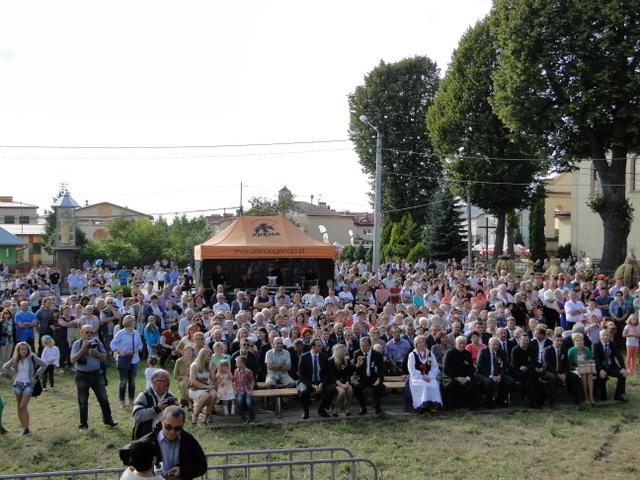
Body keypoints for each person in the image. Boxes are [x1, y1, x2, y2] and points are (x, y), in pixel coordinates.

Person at [71, 325, 118, 430]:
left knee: (103, 398)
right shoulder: (77, 344)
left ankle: (108, 419)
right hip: (82, 375)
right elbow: (72, 360)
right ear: (81, 333)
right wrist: (83, 348)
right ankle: (83, 425)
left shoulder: (97, 342)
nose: (89, 334)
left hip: (97, 374)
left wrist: (96, 353)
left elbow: (104, 356)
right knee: (83, 401)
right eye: (87, 332)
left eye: (91, 332)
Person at [142, 406, 207, 480]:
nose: (172, 432)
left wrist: (181, 470)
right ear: (162, 420)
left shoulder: (188, 440)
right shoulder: (148, 441)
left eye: (177, 428)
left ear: (183, 424)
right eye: (168, 427)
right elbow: (136, 469)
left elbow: (202, 465)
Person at [2, 341, 47, 435]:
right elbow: (5, 366)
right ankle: (23, 427)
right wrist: (14, 373)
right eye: (22, 349)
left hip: (28, 384)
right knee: (19, 406)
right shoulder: (15, 359)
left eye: (25, 349)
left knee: (23, 406)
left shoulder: (32, 358)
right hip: (18, 384)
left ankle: (26, 428)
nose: (24, 351)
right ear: (18, 350)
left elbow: (44, 364)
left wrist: (36, 374)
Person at [132, 368, 178, 440]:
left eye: (168, 380)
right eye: (165, 381)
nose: (168, 383)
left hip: (167, 438)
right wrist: (157, 409)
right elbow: (137, 416)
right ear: (155, 382)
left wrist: (177, 410)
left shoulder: (172, 397)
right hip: (146, 438)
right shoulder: (144, 396)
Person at [297, 338, 336, 420]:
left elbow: (327, 373)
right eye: (319, 346)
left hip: (320, 381)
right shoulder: (304, 357)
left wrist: (322, 383)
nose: (321, 347)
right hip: (307, 381)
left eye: (321, 345)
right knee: (304, 392)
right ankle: (306, 411)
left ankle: (322, 409)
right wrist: (311, 385)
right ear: (312, 346)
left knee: (332, 390)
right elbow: (301, 375)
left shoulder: (324, 356)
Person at [111, 315, 144, 410]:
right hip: (123, 359)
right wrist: (120, 351)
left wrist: (137, 350)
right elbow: (113, 344)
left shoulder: (136, 333)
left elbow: (140, 344)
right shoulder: (121, 333)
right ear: (129, 323)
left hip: (134, 359)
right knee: (123, 381)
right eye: (133, 321)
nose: (135, 323)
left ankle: (131, 400)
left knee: (132, 381)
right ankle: (122, 401)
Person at [404, 335, 443, 413]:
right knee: (424, 386)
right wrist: (422, 376)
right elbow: (411, 369)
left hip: (429, 376)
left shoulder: (429, 354)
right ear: (416, 344)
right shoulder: (412, 355)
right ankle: (423, 406)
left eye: (422, 342)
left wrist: (430, 376)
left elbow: (434, 367)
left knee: (434, 385)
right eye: (419, 343)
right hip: (417, 377)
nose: (421, 344)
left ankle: (433, 406)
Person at [441, 336, 481, 410]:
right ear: (455, 343)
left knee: (474, 384)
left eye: (463, 344)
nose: (462, 345)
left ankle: (471, 406)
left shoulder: (467, 354)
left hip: (465, 378)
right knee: (452, 385)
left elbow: (471, 369)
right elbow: (446, 369)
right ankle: (453, 407)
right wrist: (457, 378)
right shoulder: (449, 353)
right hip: (452, 377)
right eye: (460, 343)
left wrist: (467, 378)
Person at [475, 337, 514, 409]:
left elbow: (505, 366)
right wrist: (491, 376)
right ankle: (489, 400)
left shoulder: (502, 352)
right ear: (489, 344)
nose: (496, 346)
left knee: (510, 381)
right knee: (488, 383)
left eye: (497, 345)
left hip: (498, 374)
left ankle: (500, 399)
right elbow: (480, 366)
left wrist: (500, 375)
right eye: (494, 344)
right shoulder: (483, 351)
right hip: (484, 374)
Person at [540, 334, 578, 407]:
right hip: (548, 371)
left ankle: (576, 399)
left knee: (575, 377)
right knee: (553, 378)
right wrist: (557, 374)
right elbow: (547, 365)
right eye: (557, 340)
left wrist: (565, 373)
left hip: (561, 372)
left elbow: (566, 364)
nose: (559, 342)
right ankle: (552, 401)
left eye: (561, 340)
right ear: (553, 341)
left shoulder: (564, 350)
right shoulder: (547, 350)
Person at [352, 336, 385, 415]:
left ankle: (378, 407)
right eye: (361, 346)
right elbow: (353, 369)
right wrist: (357, 365)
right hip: (361, 377)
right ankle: (363, 407)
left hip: (372, 377)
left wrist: (379, 379)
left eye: (364, 346)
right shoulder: (357, 353)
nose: (362, 348)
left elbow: (381, 369)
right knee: (356, 386)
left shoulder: (377, 355)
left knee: (378, 386)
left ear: (370, 345)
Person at [593, 329, 628, 402]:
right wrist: (600, 369)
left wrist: (622, 367)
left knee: (622, 374)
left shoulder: (613, 345)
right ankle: (603, 395)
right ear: (600, 336)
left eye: (607, 335)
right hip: (601, 366)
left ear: (610, 336)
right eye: (603, 335)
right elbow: (596, 359)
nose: (605, 337)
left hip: (611, 366)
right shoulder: (596, 346)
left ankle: (618, 394)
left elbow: (619, 356)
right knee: (602, 377)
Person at [189, 348, 217, 426]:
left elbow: (213, 380)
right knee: (206, 396)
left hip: (205, 387)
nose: (209, 358)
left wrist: (212, 371)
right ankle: (195, 414)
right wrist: (207, 387)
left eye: (210, 356)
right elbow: (193, 381)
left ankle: (205, 417)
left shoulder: (208, 365)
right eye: (208, 356)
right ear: (203, 356)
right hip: (195, 388)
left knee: (214, 395)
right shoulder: (194, 365)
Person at [567, 332, 595, 404]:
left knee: (589, 375)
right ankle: (585, 397)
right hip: (575, 369)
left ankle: (591, 397)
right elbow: (569, 364)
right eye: (577, 341)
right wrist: (575, 368)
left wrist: (589, 362)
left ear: (583, 341)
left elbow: (590, 359)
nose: (579, 342)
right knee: (584, 376)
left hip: (586, 368)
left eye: (580, 340)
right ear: (574, 342)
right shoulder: (571, 351)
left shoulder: (587, 349)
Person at [328, 343, 353, 416]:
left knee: (350, 389)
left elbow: (347, 373)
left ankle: (347, 406)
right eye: (344, 351)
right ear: (339, 352)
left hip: (344, 381)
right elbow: (332, 376)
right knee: (342, 391)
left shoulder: (346, 360)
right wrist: (341, 385)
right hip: (334, 382)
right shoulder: (330, 361)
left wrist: (347, 382)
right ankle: (335, 407)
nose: (346, 352)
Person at [233, 355, 256, 424]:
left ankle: (252, 417)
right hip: (240, 390)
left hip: (247, 389)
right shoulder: (236, 371)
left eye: (237, 362)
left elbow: (252, 380)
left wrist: (251, 390)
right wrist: (235, 389)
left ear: (243, 364)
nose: (236, 364)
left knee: (248, 402)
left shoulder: (248, 371)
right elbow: (235, 381)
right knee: (239, 401)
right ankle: (243, 417)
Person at [173, 345, 195, 409]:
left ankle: (183, 401)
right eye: (186, 350)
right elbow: (175, 375)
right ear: (183, 352)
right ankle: (189, 402)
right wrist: (182, 377)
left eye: (190, 351)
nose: (188, 352)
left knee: (188, 384)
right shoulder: (179, 361)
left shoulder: (196, 360)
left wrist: (190, 378)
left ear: (193, 352)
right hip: (181, 380)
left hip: (194, 379)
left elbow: (198, 372)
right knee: (184, 384)